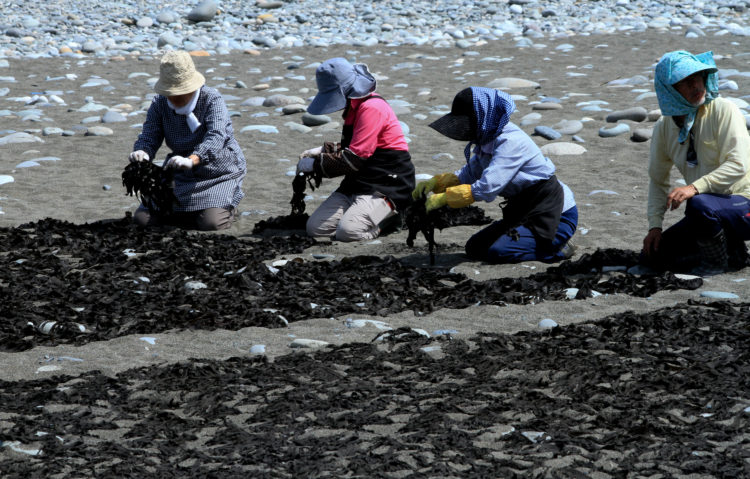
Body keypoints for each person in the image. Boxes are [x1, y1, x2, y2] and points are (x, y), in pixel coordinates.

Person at [413, 87, 577, 264]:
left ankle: (559, 249)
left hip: (552, 212)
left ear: (483, 117)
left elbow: (487, 187)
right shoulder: (486, 139)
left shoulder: (511, 141)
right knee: (475, 248)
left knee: (500, 253)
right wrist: (436, 183)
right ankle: (530, 238)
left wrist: (443, 199)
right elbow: (469, 174)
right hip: (521, 211)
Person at [641, 50, 750, 276]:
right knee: (654, 254)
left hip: (743, 202)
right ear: (670, 90)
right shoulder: (663, 127)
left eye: (698, 77)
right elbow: (657, 179)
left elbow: (739, 165)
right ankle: (733, 250)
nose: (697, 86)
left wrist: (694, 187)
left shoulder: (724, 110)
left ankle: (717, 265)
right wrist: (655, 226)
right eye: (687, 82)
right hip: (709, 212)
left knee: (699, 205)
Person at [296, 57, 415, 241]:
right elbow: (358, 145)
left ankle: (392, 218)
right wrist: (322, 150)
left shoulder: (372, 107)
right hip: (358, 182)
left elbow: (354, 159)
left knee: (349, 232)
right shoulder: (354, 108)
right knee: (316, 229)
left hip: (386, 185)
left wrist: (315, 165)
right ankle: (362, 212)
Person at [128, 50, 246, 230]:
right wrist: (143, 151)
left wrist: (193, 159)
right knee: (143, 220)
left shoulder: (211, 99)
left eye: (180, 92)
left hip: (219, 172)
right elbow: (150, 134)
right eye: (171, 93)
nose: (175, 97)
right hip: (179, 173)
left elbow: (217, 135)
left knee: (210, 222)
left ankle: (229, 206)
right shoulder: (159, 103)